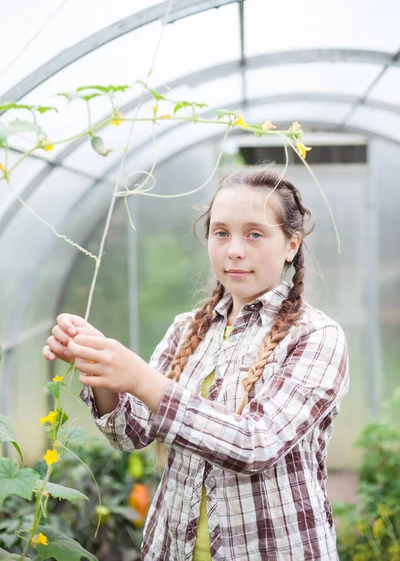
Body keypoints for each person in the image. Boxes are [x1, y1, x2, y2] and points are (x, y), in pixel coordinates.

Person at [43, 165, 349, 561]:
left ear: (291, 244)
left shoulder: (316, 335)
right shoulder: (187, 329)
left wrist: (144, 380)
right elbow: (130, 434)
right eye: (221, 232)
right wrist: (100, 364)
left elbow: (256, 444)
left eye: (254, 234)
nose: (234, 249)